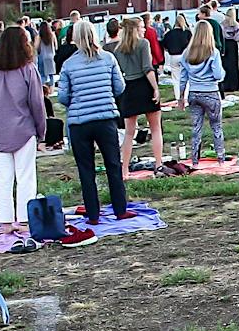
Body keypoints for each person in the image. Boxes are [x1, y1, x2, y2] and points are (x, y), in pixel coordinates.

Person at [57, 17, 129, 225]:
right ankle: (120, 209)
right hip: (105, 117)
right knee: (113, 164)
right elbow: (119, 87)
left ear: (75, 38)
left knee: (85, 168)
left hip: (80, 122)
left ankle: (93, 214)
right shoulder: (108, 58)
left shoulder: (69, 65)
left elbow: (62, 97)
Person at [0, 23, 47, 230]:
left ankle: (3, 220)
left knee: (3, 178)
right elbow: (37, 103)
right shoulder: (28, 70)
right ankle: (25, 219)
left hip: (0, 130)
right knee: (26, 176)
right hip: (23, 129)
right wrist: (41, 130)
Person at [113, 16, 163, 177]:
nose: (144, 29)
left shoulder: (117, 49)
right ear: (134, 29)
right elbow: (147, 69)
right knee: (155, 128)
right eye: (141, 27)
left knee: (129, 132)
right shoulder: (143, 44)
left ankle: (125, 169)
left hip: (128, 88)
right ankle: (158, 164)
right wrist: (155, 88)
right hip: (144, 85)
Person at [177, 20, 228, 164]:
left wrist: (181, 97)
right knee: (216, 126)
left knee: (196, 127)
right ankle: (220, 157)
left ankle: (194, 159)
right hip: (211, 92)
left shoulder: (187, 53)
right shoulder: (213, 52)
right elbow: (218, 75)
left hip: (193, 93)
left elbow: (182, 78)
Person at [220, 5, 239, 95]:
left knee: (225, 64)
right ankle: (235, 84)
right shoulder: (236, 24)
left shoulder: (222, 24)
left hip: (225, 44)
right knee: (234, 64)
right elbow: (238, 37)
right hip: (233, 44)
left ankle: (226, 84)